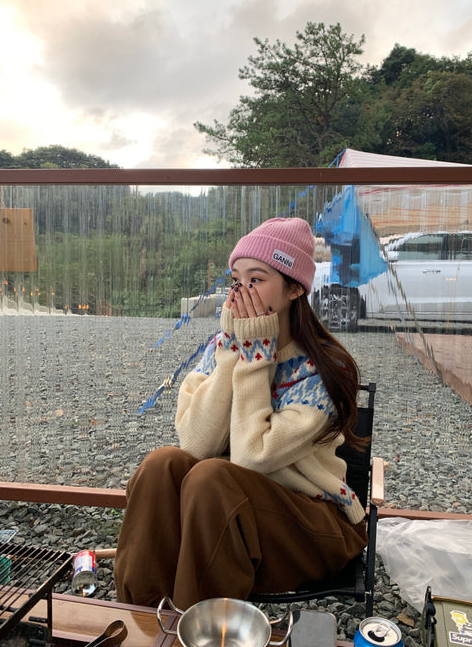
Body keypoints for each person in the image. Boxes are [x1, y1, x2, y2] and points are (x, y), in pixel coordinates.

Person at [114, 217, 367, 610]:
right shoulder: (224, 345)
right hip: (226, 515)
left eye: (257, 279)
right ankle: (141, 622)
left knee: (212, 478)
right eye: (236, 280)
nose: (241, 292)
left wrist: (255, 354)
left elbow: (252, 456)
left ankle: (200, 633)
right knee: (162, 465)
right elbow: (196, 443)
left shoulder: (322, 368)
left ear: (295, 289)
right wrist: (235, 350)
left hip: (312, 522)